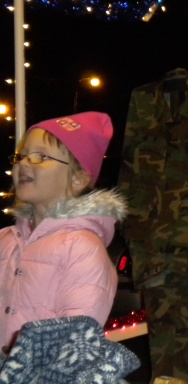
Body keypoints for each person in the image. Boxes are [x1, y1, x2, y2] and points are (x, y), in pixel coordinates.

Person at [0, 111, 127, 358]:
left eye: (41, 157)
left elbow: (75, 342)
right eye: (22, 155)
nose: (23, 163)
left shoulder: (82, 248)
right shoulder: (6, 240)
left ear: (77, 179)